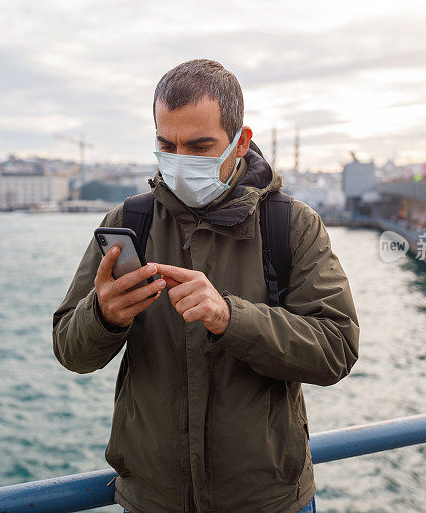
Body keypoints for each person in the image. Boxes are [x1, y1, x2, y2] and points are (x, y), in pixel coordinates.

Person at [53, 59, 359, 513]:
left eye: (199, 146)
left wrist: (231, 318)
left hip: (267, 502)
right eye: (166, 144)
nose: (180, 161)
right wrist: (103, 317)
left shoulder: (290, 225)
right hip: (152, 501)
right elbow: (69, 350)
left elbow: (337, 348)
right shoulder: (128, 223)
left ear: (241, 142)